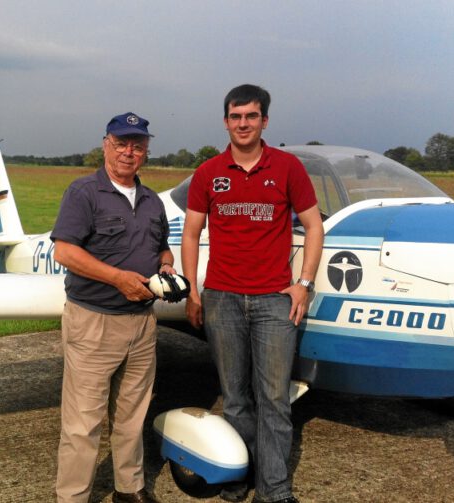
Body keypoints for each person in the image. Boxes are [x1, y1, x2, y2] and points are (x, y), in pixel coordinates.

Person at [181, 85, 324, 503]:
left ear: (264, 121)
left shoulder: (287, 168)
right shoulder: (209, 172)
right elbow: (191, 233)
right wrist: (194, 291)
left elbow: (313, 226)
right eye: (235, 116)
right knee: (236, 397)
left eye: (251, 116)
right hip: (222, 298)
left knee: (275, 399)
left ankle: (275, 491)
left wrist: (305, 283)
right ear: (226, 121)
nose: (243, 123)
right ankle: (236, 476)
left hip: (273, 301)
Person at [51, 112, 174, 503]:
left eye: (137, 145)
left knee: (132, 415)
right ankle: (72, 497)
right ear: (105, 144)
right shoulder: (83, 192)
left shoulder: (153, 201)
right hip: (94, 321)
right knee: (82, 422)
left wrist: (168, 266)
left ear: (146, 151)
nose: (128, 152)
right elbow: (65, 251)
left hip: (141, 324)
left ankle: (129, 487)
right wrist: (118, 278)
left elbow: (161, 248)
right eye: (120, 143)